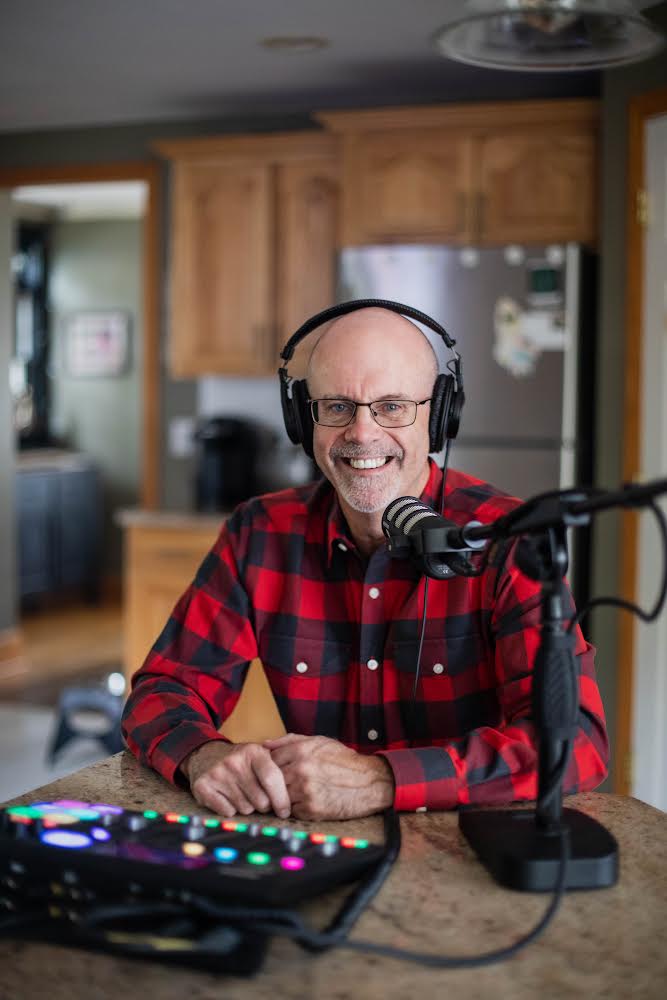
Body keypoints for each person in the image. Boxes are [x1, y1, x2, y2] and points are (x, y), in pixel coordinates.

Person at [121, 306, 608, 821]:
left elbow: (575, 744)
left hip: (472, 852)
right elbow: (162, 690)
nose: (361, 433)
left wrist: (379, 779)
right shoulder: (259, 533)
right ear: (302, 420)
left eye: (393, 406)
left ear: (440, 415)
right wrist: (205, 756)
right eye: (336, 407)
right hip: (320, 850)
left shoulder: (507, 540)